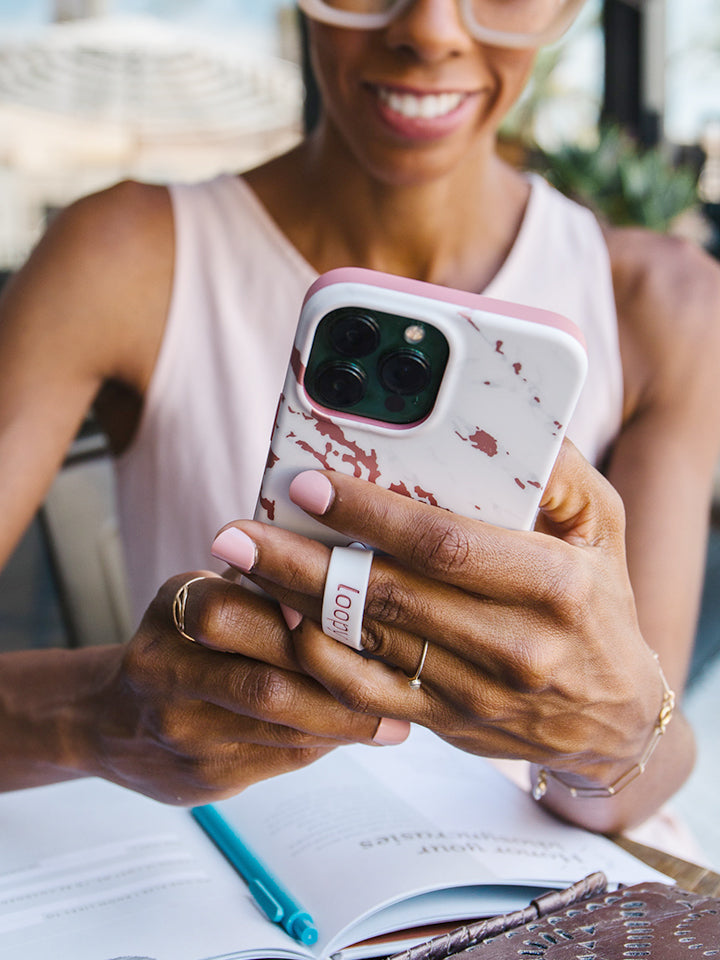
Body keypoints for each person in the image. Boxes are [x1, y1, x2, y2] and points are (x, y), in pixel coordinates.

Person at [0, 0, 718, 839]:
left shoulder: (669, 304)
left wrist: (613, 731)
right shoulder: (120, 254)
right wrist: (98, 717)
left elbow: (633, 783)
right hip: (240, 891)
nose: (433, 29)